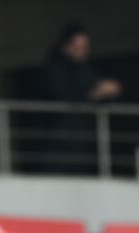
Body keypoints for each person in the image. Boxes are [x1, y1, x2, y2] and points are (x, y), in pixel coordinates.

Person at [39, 23, 121, 175]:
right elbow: (63, 95)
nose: (82, 52)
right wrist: (95, 93)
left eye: (85, 47)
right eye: (78, 47)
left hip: (82, 141)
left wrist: (106, 92)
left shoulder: (85, 69)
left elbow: (91, 90)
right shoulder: (54, 68)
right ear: (65, 47)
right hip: (58, 141)